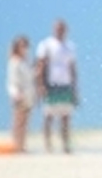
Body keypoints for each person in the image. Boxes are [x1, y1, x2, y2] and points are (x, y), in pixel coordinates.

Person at [36, 19, 78, 153]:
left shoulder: (70, 46)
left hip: (65, 84)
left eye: (62, 28)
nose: (60, 31)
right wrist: (41, 85)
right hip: (51, 84)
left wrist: (75, 87)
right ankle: (48, 145)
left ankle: (66, 145)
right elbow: (41, 66)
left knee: (66, 116)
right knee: (49, 116)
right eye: (58, 28)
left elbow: (72, 67)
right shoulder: (46, 45)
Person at [5, 35, 34, 152]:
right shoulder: (14, 62)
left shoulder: (25, 62)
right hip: (19, 95)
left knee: (25, 122)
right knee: (18, 122)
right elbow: (12, 80)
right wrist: (15, 93)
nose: (25, 49)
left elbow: (30, 79)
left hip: (28, 94)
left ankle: (22, 145)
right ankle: (16, 145)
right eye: (22, 46)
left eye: (26, 46)